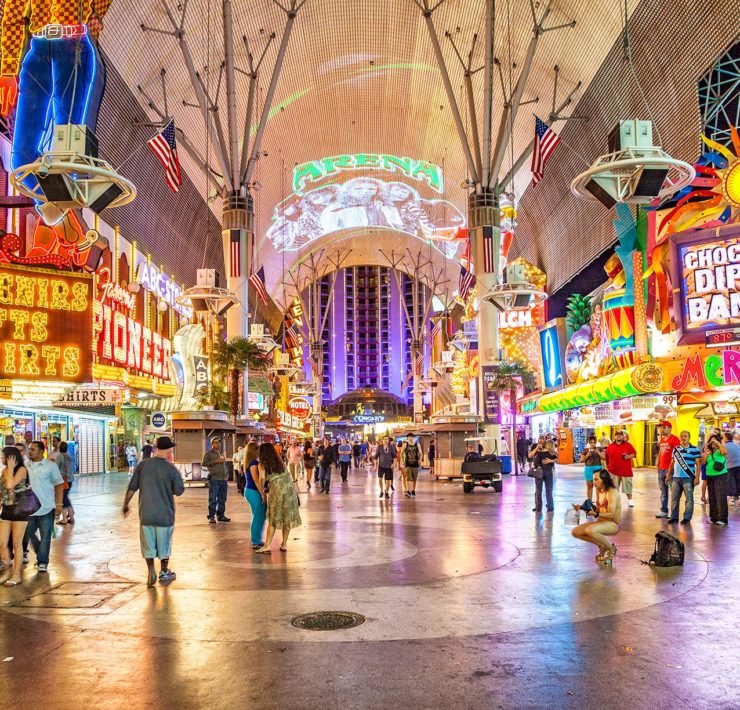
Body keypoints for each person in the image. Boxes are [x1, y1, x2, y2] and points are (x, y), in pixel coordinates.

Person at [122, 436, 184, 587]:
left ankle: (151, 570)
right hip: (165, 516)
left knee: (148, 546)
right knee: (164, 546)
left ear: (156, 449)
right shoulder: (171, 469)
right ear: (169, 450)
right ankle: (163, 571)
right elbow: (179, 490)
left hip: (146, 514)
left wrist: (125, 504)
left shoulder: (143, 465)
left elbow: (132, 487)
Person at [22, 441, 64, 573]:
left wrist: (59, 504)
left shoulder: (50, 466)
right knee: (25, 535)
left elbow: (59, 484)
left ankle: (42, 562)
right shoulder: (25, 467)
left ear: (41, 451)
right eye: (29, 449)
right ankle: (36, 553)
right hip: (28, 509)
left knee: (45, 535)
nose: (30, 452)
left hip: (46, 507)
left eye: (33, 449)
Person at [256, 443, 301, 553]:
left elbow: (262, 478)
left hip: (277, 492)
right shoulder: (279, 461)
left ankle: (267, 545)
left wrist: (262, 491)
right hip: (290, 490)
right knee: (287, 518)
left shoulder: (262, 464)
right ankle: (284, 544)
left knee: (273, 519)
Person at [571, 469, 621, 565]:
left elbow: (611, 514)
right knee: (576, 532)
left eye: (596, 479)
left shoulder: (612, 492)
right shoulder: (599, 490)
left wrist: (596, 514)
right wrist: (582, 507)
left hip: (613, 524)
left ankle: (611, 548)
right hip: (601, 521)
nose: (593, 482)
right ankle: (602, 545)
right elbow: (598, 509)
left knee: (589, 530)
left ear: (604, 480)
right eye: (593, 479)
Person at [0, 446, 31, 585]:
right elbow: (2, 490)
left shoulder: (22, 470)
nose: (1, 458)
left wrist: (11, 469)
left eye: (3, 456)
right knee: (2, 542)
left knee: (17, 543)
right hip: (6, 509)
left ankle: (16, 575)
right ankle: (8, 569)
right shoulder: (3, 471)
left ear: (11, 457)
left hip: (20, 509)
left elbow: (10, 485)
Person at [666, 431, 701, 525]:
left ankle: (687, 518)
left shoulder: (695, 449)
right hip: (676, 478)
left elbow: (698, 464)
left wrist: (697, 477)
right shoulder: (676, 449)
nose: (683, 437)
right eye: (681, 436)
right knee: (674, 499)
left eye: (685, 436)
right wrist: (668, 476)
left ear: (689, 437)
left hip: (688, 477)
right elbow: (672, 463)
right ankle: (674, 517)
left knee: (689, 499)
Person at [602, 430, 636, 507]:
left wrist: (628, 456)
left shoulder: (628, 445)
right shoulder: (610, 446)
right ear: (614, 436)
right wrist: (607, 467)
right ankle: (615, 501)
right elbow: (606, 457)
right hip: (613, 471)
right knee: (614, 487)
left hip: (626, 471)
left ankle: (630, 500)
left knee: (628, 486)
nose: (618, 436)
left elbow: (634, 453)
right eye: (617, 435)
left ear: (623, 436)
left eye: (620, 435)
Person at [242, 442, 266, 550]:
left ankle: (257, 539)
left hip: (250, 491)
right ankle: (255, 541)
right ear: (255, 450)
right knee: (258, 516)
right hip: (253, 491)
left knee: (259, 515)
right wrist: (262, 493)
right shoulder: (253, 463)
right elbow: (256, 479)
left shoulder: (249, 462)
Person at [202, 438, 230, 523]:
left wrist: (227, 472)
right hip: (214, 479)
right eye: (216, 443)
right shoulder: (208, 453)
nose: (218, 444)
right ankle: (211, 516)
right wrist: (215, 461)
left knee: (222, 499)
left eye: (219, 443)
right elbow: (204, 463)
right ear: (212, 444)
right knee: (213, 498)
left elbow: (224, 464)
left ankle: (221, 515)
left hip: (223, 479)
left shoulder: (221, 453)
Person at [656, 422, 680, 519]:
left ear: (670, 428)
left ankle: (674, 513)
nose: (662, 429)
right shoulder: (661, 439)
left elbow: (677, 455)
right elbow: (661, 453)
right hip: (661, 469)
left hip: (671, 470)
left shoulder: (674, 439)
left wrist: (672, 468)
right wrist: (658, 464)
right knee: (663, 491)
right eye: (661, 428)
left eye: (664, 427)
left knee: (673, 491)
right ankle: (664, 511)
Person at [704, 437, 729, 526]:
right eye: (711, 442)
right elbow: (703, 462)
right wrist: (706, 453)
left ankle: (723, 519)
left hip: (720, 476)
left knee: (720, 497)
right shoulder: (709, 452)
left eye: (715, 441)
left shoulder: (720, 450)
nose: (713, 443)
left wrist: (718, 444)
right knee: (712, 497)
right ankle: (713, 518)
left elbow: (725, 452)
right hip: (710, 476)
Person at [528, 437, 557, 513]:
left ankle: (538, 508)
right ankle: (550, 507)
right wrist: (551, 461)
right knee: (549, 490)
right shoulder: (552, 453)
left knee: (538, 491)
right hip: (549, 472)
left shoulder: (539, 453)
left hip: (539, 472)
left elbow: (534, 460)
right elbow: (558, 459)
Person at [56, 442, 75, 525]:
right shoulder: (69, 456)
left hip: (63, 480)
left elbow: (55, 468)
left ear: (60, 448)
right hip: (70, 480)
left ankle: (64, 519)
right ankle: (71, 517)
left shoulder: (60, 457)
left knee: (63, 499)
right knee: (65, 498)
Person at [580, 435, 602, 501]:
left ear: (596, 442)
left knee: (598, 486)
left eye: (594, 442)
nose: (592, 444)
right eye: (591, 442)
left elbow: (604, 457)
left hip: (597, 468)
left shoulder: (600, 449)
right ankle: (589, 501)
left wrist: (598, 452)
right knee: (589, 485)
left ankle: (598, 501)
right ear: (589, 443)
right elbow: (581, 460)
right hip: (588, 468)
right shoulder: (586, 450)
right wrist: (587, 455)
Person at [722, 431, 740, 508]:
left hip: (729, 467)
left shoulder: (724, 446)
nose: (722, 439)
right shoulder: (737, 445)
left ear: (726, 438)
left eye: (723, 437)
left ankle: (731, 499)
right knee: (738, 481)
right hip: (738, 465)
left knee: (730, 483)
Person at [401, 433, 421, 497]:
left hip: (415, 464)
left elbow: (421, 453)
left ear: (413, 438)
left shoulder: (417, 444)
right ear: (407, 438)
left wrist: (420, 460)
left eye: (412, 437)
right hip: (407, 464)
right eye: (409, 437)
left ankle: (413, 491)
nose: (410, 438)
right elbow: (401, 453)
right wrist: (403, 461)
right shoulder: (405, 444)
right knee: (408, 478)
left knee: (414, 478)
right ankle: (408, 491)